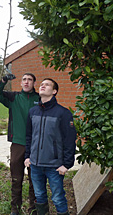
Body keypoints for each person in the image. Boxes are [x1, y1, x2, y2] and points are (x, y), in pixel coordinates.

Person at [24, 78, 76, 215]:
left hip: (54, 166)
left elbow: (70, 140)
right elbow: (29, 136)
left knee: (58, 198)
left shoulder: (63, 113)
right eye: (41, 84)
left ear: (54, 91)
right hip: (35, 165)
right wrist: (27, 156)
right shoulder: (33, 111)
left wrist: (67, 164)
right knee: (39, 196)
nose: (42, 85)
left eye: (47, 85)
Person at [0, 73, 39, 215]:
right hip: (18, 143)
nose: (26, 82)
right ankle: (15, 208)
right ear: (20, 83)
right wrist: (3, 80)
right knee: (16, 178)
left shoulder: (39, 99)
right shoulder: (13, 98)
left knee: (35, 178)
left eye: (30, 80)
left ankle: (34, 207)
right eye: (24, 79)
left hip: (35, 144)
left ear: (33, 83)